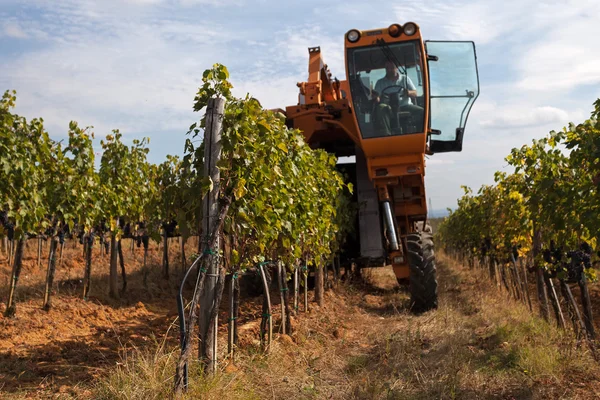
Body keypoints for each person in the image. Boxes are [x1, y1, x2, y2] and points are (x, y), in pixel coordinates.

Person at [373, 60, 424, 135]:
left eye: (392, 67)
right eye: (387, 68)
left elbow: (415, 93)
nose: (389, 70)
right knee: (381, 107)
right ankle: (387, 135)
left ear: (397, 68)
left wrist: (408, 92)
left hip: (405, 105)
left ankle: (420, 134)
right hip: (388, 108)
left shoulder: (405, 79)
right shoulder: (380, 82)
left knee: (422, 112)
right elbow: (377, 97)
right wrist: (376, 98)